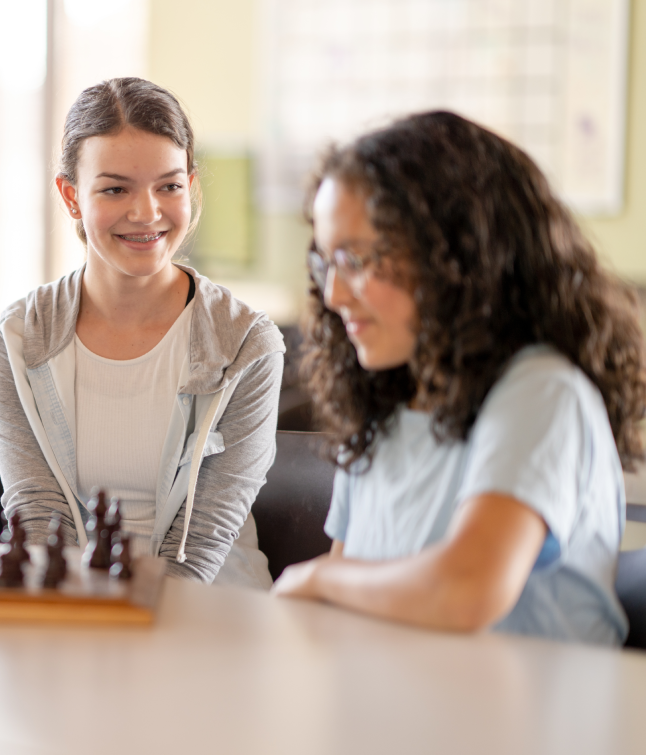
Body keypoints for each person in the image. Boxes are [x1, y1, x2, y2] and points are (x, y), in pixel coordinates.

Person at [271, 111, 646, 646]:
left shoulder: (541, 392)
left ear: (455, 256)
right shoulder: (387, 404)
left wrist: (317, 578)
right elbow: (349, 602)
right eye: (326, 262)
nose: (333, 294)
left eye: (357, 259)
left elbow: (466, 588)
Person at [0, 78, 284, 586]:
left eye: (169, 186)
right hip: (77, 610)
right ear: (71, 196)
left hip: (211, 615)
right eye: (116, 188)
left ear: (192, 186)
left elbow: (202, 543)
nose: (147, 213)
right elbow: (38, 518)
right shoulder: (16, 341)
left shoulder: (246, 345)